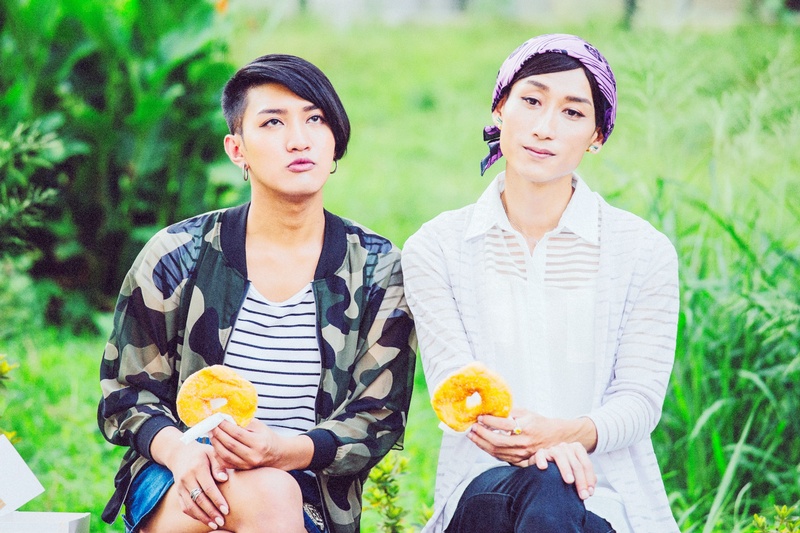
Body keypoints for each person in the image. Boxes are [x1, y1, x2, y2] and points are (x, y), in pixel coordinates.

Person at [98, 54, 416, 533]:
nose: (299, 139)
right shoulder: (179, 254)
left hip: (308, 490)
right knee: (268, 494)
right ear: (237, 149)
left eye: (315, 119)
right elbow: (125, 394)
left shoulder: (377, 268)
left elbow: (378, 417)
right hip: (178, 475)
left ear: (334, 141)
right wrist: (181, 453)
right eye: (272, 122)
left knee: (274, 491)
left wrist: (281, 451)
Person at [401, 33, 680, 533]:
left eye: (572, 112)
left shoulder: (642, 251)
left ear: (597, 135)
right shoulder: (437, 247)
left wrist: (566, 434)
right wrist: (535, 448)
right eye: (531, 101)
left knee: (557, 496)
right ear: (499, 109)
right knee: (548, 484)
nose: (545, 127)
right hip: (484, 494)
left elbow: (639, 400)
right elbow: (456, 388)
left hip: (607, 499)